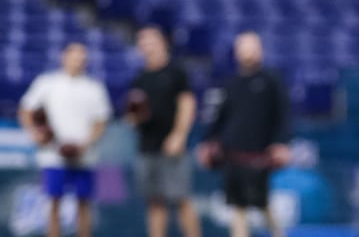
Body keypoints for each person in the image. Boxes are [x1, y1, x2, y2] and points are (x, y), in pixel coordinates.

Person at [198, 32, 292, 237]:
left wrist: (281, 143)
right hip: (233, 155)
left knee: (262, 204)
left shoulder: (271, 80)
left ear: (260, 50)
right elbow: (219, 119)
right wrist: (207, 143)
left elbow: (284, 114)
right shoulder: (232, 84)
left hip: (259, 156)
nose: (247, 53)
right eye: (243, 48)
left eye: (251, 47)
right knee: (237, 207)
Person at [17, 42, 112, 237]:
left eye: (82, 58)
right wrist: (35, 132)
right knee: (53, 202)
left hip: (85, 156)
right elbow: (25, 109)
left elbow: (101, 121)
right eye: (74, 56)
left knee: (84, 203)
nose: (78, 61)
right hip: (53, 154)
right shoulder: (47, 82)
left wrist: (86, 144)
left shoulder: (94, 87)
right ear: (64, 57)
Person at [128, 26, 201, 237]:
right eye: (142, 42)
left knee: (182, 199)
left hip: (172, 147)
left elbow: (187, 104)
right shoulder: (140, 77)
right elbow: (133, 114)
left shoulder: (176, 72)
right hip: (147, 146)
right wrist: (134, 117)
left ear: (162, 43)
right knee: (154, 202)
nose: (146, 46)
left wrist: (179, 135)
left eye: (151, 40)